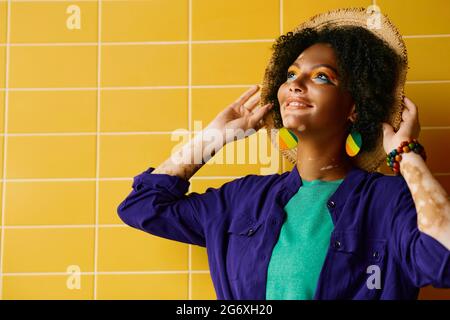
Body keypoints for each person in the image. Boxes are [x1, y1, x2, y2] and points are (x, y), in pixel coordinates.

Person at [117, 8, 450, 299]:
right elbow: (142, 206)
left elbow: (444, 259)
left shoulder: (388, 200)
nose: (295, 83)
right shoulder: (243, 199)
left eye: (322, 76)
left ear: (354, 107)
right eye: (291, 74)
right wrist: (212, 139)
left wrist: (407, 155)